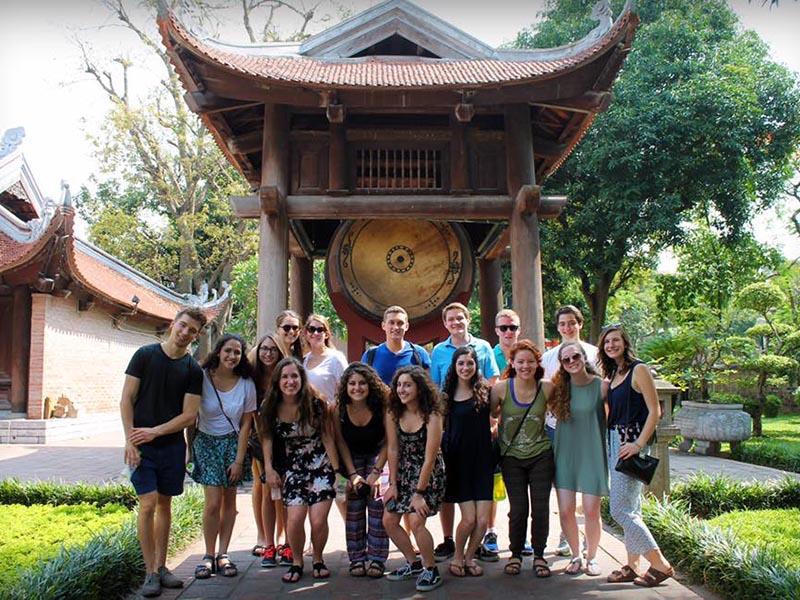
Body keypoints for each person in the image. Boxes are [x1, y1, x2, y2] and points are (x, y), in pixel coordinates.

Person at [121, 307, 206, 598]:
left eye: (192, 330)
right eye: (182, 326)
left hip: (171, 446)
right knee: (147, 503)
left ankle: (162, 566)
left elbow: (189, 416)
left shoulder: (193, 370)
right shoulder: (145, 355)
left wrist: (155, 431)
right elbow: (126, 399)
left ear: (197, 335)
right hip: (141, 445)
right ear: (173, 324)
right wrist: (130, 439)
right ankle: (150, 573)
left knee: (164, 505)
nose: (185, 333)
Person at [598, 325, 674, 587]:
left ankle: (660, 564)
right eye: (607, 342)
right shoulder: (614, 372)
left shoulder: (638, 369)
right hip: (615, 440)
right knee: (631, 508)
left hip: (630, 441)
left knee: (620, 510)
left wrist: (638, 445)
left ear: (625, 342)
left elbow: (655, 411)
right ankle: (632, 565)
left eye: (615, 340)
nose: (611, 345)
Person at [259, 357, 340, 584]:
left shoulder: (315, 403)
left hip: (321, 466)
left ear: (302, 379)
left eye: (294, 376)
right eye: (285, 377)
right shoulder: (270, 406)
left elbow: (328, 437)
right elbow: (266, 438)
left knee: (317, 520)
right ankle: (297, 561)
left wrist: (338, 473)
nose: (290, 381)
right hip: (293, 469)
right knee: (294, 521)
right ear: (277, 381)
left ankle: (317, 558)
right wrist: (269, 467)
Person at [429, 302, 499, 562]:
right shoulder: (438, 351)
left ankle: (476, 545)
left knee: (479, 511)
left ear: (468, 319)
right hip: (454, 440)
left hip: (480, 438)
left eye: (460, 318)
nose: (456, 322)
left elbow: (494, 382)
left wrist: (492, 421)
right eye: (451, 319)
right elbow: (437, 389)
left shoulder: (483, 347)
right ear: (445, 323)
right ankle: (450, 541)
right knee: (452, 496)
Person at [190, 334, 257, 580]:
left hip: (233, 444)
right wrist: (190, 448)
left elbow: (247, 423)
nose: (232, 356)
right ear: (219, 351)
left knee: (230, 503)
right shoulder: (202, 378)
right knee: (213, 503)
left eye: (237, 352)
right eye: (228, 350)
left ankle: (223, 554)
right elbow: (191, 416)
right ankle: (207, 555)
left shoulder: (246, 383)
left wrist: (239, 460)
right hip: (206, 442)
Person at [490, 340, 554, 579]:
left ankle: (539, 555)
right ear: (512, 363)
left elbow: (564, 412)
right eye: (520, 362)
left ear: (537, 363)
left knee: (540, 508)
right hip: (511, 457)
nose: (525, 366)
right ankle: (515, 554)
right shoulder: (501, 388)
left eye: (530, 361)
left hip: (541, 455)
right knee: (518, 509)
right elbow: (489, 415)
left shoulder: (547, 387)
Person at [540, 305, 598, 556]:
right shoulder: (548, 357)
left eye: (572, 322)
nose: (567, 328)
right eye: (562, 323)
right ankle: (567, 536)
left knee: (589, 494)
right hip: (557, 428)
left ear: (580, 324)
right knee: (564, 488)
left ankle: (589, 540)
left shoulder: (594, 353)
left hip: (587, 431)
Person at [383, 366, 446, 593]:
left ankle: (431, 569)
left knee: (416, 521)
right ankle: (414, 563)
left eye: (407, 385)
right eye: (399, 385)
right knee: (389, 520)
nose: (402, 389)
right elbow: (392, 449)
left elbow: (430, 457)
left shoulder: (433, 414)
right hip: (403, 471)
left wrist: (419, 493)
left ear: (419, 388)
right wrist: (392, 484)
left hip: (428, 474)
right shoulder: (393, 412)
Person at [549, 342, 609, 577]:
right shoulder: (558, 388)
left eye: (576, 356)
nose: (572, 361)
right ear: (562, 364)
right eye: (566, 359)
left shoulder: (601, 387)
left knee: (592, 511)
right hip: (565, 454)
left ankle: (592, 557)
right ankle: (575, 555)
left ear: (584, 357)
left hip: (592, 453)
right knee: (565, 511)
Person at [333, 363, 390, 579]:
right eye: (352, 383)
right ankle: (356, 558)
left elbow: (389, 442)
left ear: (370, 385)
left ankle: (377, 558)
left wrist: (376, 472)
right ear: (345, 386)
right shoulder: (338, 408)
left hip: (378, 454)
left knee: (377, 503)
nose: (357, 388)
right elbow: (339, 442)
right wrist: (352, 474)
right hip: (351, 457)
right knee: (353, 505)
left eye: (362, 383)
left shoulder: (382, 404)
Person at [441, 347, 493, 578]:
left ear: (476, 366)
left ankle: (470, 557)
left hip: (482, 460)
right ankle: (458, 556)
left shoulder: (486, 391)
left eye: (470, 363)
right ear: (454, 366)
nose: (465, 368)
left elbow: (499, 416)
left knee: (482, 521)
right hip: (457, 462)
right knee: (469, 518)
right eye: (461, 363)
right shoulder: (445, 397)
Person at [480, 308, 522, 561]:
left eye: (513, 327)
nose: (508, 332)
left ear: (519, 329)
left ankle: (520, 533)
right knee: (493, 484)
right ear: (496, 330)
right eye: (503, 328)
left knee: (519, 485)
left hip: (521, 432)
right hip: (494, 431)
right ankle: (490, 532)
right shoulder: (487, 355)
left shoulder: (529, 356)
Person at [247, 333, 291, 569]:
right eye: (264, 348)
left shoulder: (286, 375)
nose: (268, 353)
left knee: (284, 494)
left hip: (286, 440)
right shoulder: (252, 377)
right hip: (261, 439)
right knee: (266, 491)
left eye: (273, 349)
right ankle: (269, 543)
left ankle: (287, 542)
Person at [361, 305, 431, 385]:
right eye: (391, 322)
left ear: (406, 326)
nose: (396, 327)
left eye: (400, 323)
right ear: (383, 326)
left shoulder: (419, 354)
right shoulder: (371, 355)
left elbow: (428, 386)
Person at [302, 313, 348, 404]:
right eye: (311, 329)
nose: (315, 333)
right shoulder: (303, 360)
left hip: (329, 414)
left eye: (320, 330)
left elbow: (345, 387)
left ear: (326, 334)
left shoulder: (336, 358)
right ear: (306, 334)